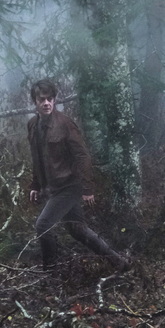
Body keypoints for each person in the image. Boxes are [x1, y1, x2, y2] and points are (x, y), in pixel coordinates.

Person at [26, 78, 130, 271]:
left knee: (43, 226)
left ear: (54, 100)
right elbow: (37, 158)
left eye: (50, 99)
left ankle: (51, 273)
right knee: (77, 229)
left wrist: (87, 188)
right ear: (35, 102)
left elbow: (83, 156)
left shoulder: (65, 124)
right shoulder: (33, 125)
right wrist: (35, 185)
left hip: (69, 186)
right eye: (42, 99)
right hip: (53, 187)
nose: (47, 103)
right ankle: (120, 263)